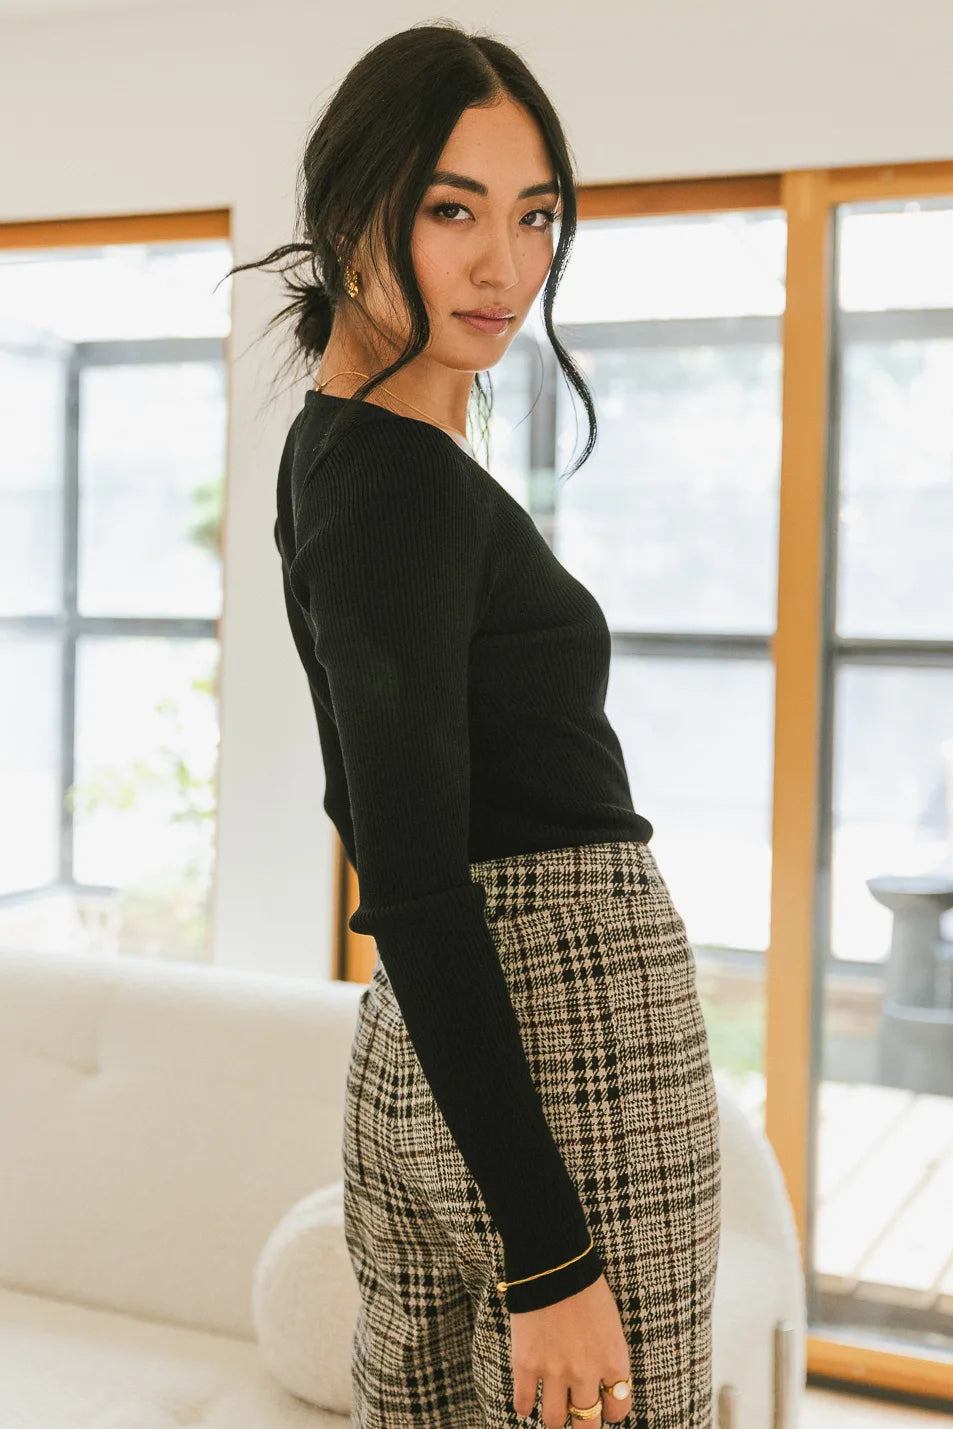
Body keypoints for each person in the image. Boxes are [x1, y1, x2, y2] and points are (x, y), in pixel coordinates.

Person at [226, 21, 720, 1429]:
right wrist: (551, 1251)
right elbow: (412, 873)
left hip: (437, 1043)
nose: (505, 265)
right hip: (561, 1046)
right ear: (351, 211)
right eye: (453, 211)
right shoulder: (398, 480)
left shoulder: (338, 452)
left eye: (535, 215)